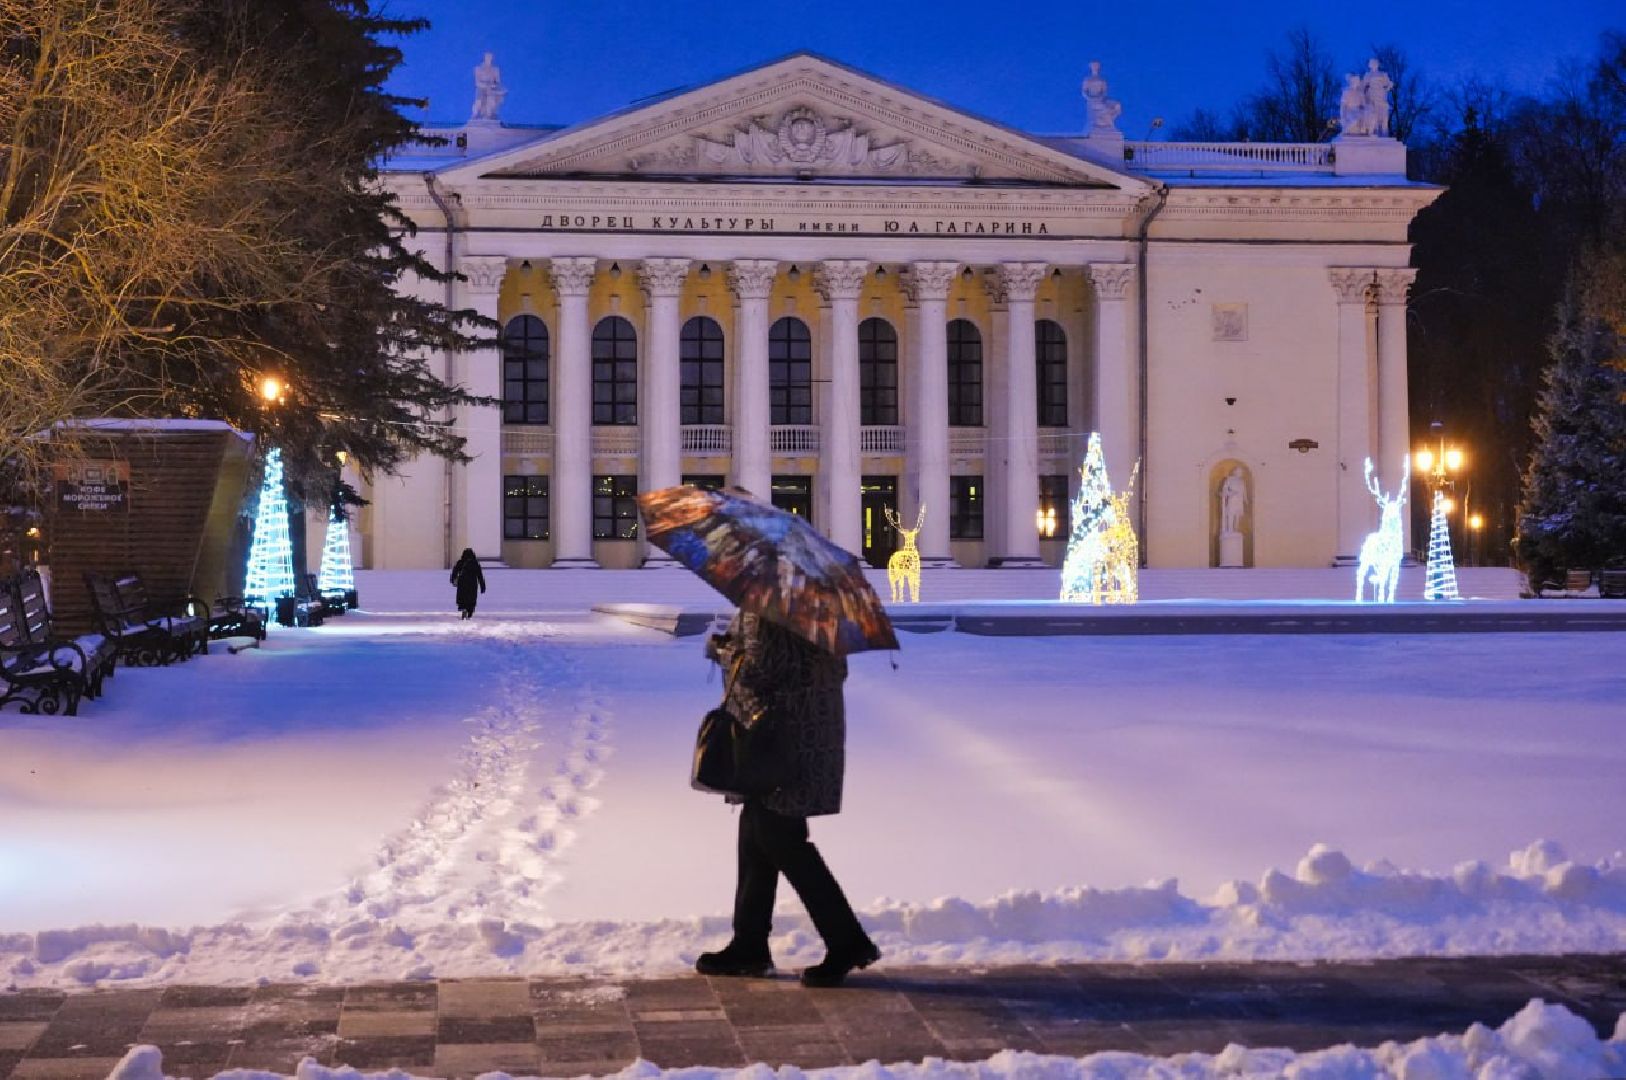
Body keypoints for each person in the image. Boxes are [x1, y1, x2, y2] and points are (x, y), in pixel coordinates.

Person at [696, 612, 880, 988]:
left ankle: (847, 942)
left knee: (784, 843)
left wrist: (722, 650)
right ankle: (749, 945)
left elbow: (759, 671)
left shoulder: (771, 612)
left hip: (783, 746)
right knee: (756, 838)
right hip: (803, 739)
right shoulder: (816, 610)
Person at [450, 548, 485, 619]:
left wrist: (453, 579)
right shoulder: (475, 563)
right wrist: (482, 586)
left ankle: (463, 609)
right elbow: (480, 576)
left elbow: (455, 571)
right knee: (471, 598)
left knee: (463, 597)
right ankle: (470, 612)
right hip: (472, 584)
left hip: (462, 583)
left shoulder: (460, 562)